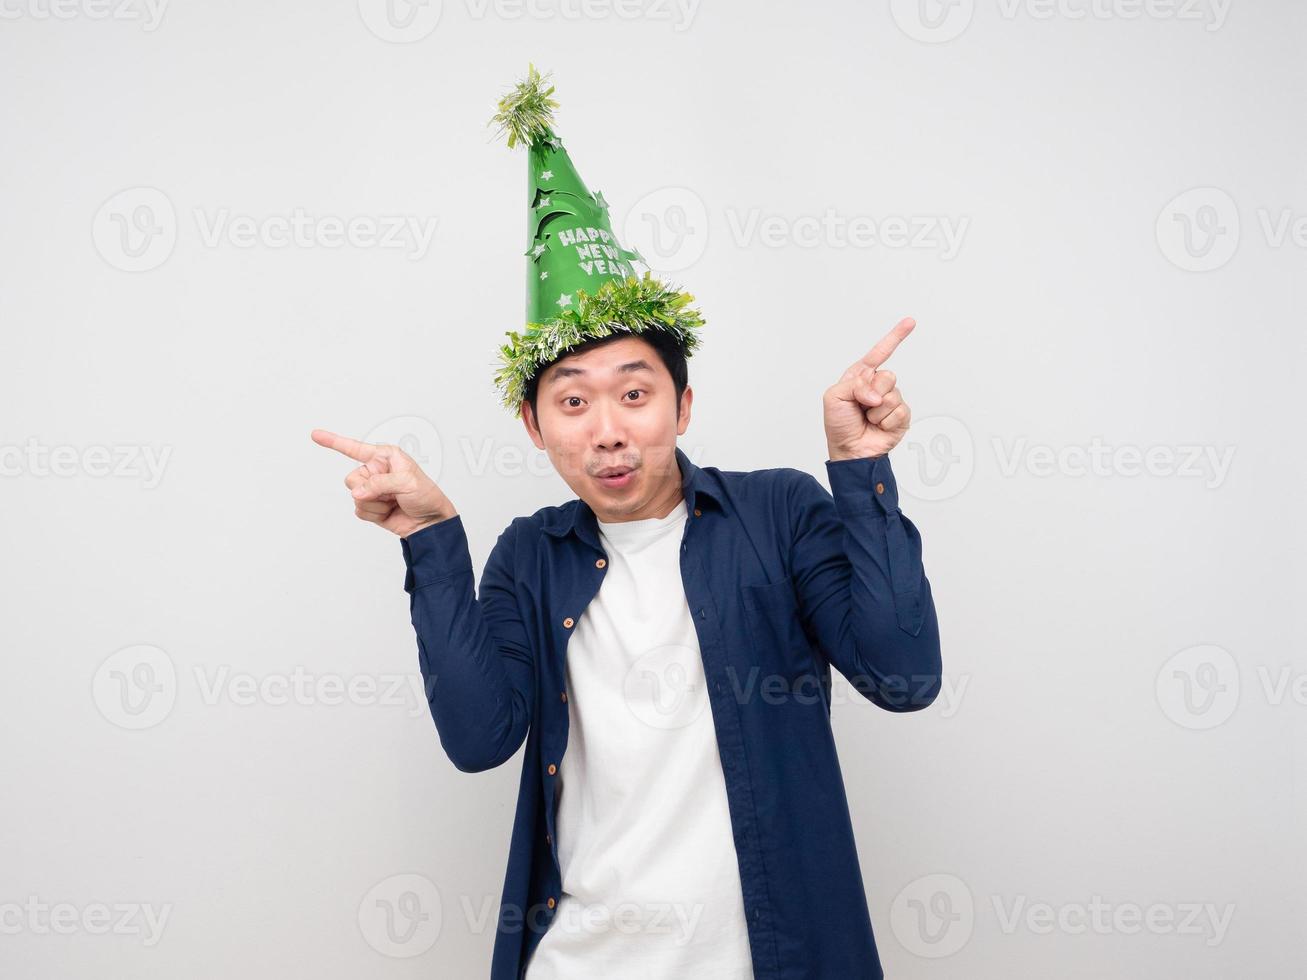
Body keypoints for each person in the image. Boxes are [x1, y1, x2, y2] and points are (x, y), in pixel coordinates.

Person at [312, 66, 942, 980]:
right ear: (534, 427)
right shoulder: (532, 555)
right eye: (571, 402)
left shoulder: (777, 511)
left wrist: (859, 468)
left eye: (634, 394)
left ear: (681, 406)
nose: (606, 429)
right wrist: (432, 541)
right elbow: (480, 738)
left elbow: (903, 674)